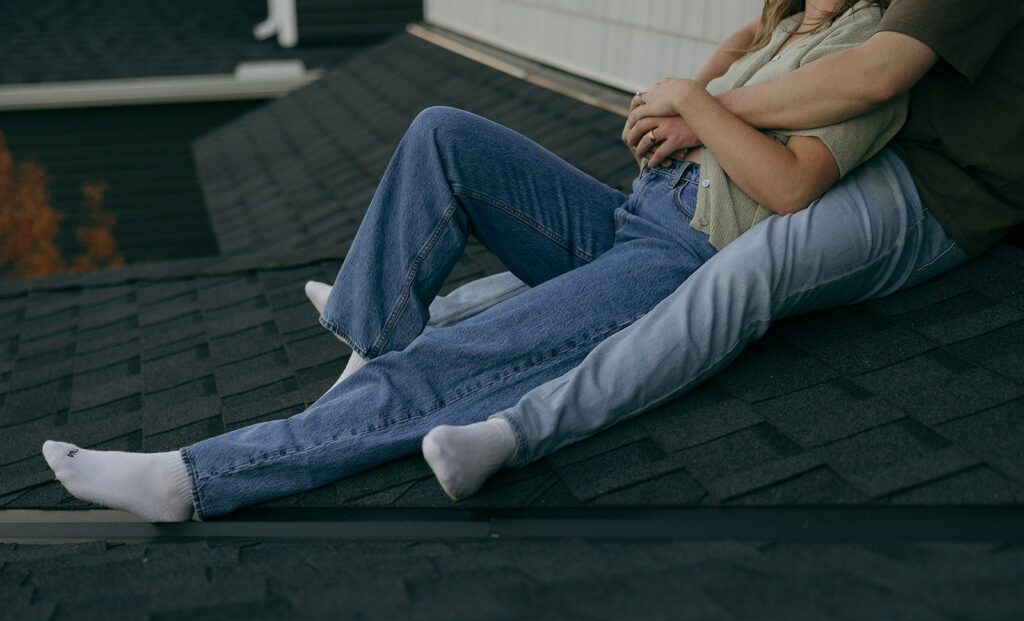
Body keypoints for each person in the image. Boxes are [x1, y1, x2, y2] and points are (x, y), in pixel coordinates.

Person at [43, 0, 904, 521]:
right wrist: (707, 79)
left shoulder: (863, 54)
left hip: (684, 259)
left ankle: (193, 480)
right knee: (443, 132)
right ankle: (370, 346)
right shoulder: (786, 26)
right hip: (630, 214)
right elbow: (703, 90)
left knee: (457, 362)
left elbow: (792, 186)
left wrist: (696, 105)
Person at [420, 0, 1024, 500]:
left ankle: (517, 431)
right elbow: (768, 25)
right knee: (620, 249)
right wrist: (691, 93)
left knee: (750, 267)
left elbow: (877, 73)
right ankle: (431, 315)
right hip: (878, 142)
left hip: (945, 184)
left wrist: (696, 107)